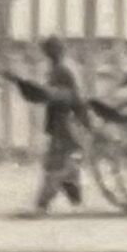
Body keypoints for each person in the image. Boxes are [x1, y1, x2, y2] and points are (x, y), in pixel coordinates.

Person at [31, 38, 92, 214]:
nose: (49, 55)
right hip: (61, 122)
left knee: (55, 165)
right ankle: (73, 191)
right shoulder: (59, 69)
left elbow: (75, 98)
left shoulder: (63, 70)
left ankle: (43, 203)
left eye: (51, 51)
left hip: (64, 122)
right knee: (63, 161)